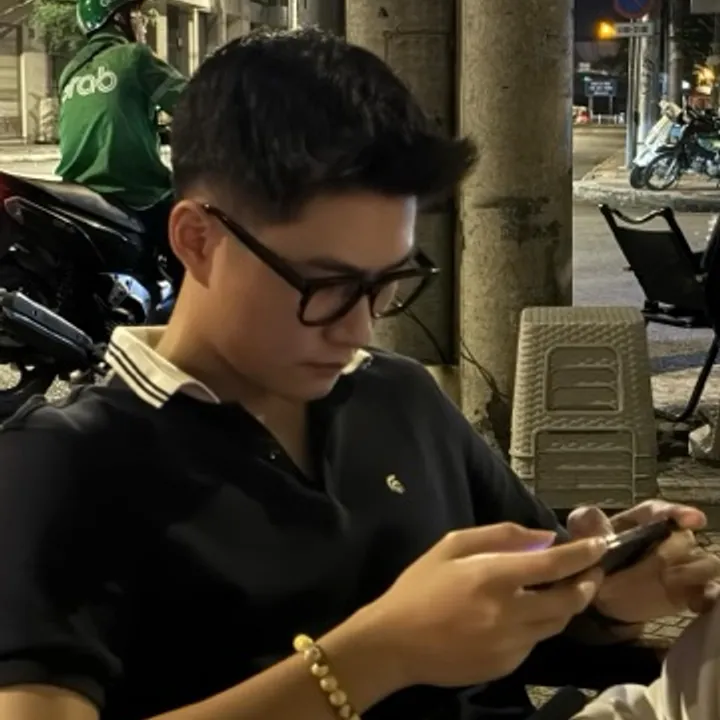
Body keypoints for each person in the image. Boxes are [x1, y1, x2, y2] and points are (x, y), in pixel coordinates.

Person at [0, 28, 717, 720]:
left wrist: (605, 600)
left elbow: (525, 627)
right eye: (326, 285)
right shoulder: (62, 463)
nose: (358, 329)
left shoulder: (397, 394)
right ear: (197, 239)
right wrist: (378, 655)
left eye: (385, 283)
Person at [55, 0, 186, 286]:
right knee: (191, 233)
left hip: (77, 191)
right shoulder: (134, 57)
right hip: (133, 190)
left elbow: (106, 117)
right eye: (137, 15)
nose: (143, 23)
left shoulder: (69, 73)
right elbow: (194, 104)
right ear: (119, 19)